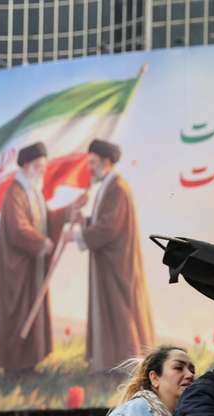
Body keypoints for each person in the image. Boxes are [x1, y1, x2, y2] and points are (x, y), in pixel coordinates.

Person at [0, 141, 87, 373]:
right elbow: (18, 228)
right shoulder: (15, 193)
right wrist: (41, 242)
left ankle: (28, 366)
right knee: (17, 314)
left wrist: (70, 210)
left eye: (44, 165)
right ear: (28, 165)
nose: (43, 169)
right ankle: (13, 369)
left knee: (32, 313)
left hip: (32, 268)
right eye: (39, 165)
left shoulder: (33, 192)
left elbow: (46, 220)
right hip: (16, 271)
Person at [73, 140, 155, 372]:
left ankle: (124, 366)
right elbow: (104, 222)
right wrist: (86, 223)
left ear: (106, 162)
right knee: (111, 312)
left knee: (121, 313)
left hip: (118, 263)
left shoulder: (117, 187)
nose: (89, 167)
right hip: (108, 261)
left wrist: (79, 236)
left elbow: (109, 227)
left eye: (93, 162)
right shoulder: (108, 186)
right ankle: (111, 364)